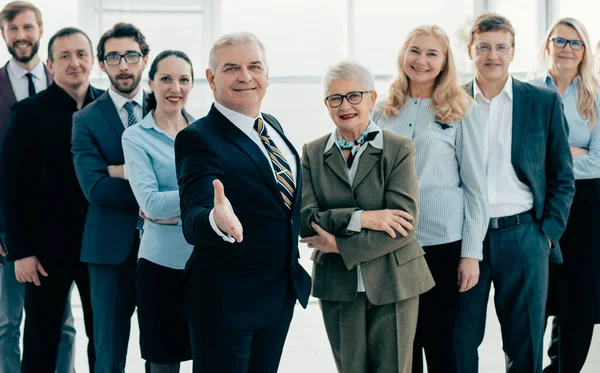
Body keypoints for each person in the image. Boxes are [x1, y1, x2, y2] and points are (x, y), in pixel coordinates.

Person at [174, 31, 311, 373]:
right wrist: (215, 220)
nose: (245, 76)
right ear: (211, 78)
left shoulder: (272, 127)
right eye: (232, 67)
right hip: (227, 302)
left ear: (267, 73)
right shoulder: (198, 138)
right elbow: (194, 213)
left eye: (254, 66)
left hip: (278, 295)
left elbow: (281, 205)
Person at [454, 13, 575, 373]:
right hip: (464, 238)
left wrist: (547, 236)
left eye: (501, 47)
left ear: (513, 51)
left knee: (525, 343)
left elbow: (562, 177)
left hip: (525, 236)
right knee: (459, 338)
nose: (493, 55)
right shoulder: (450, 102)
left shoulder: (542, 102)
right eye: (485, 47)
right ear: (471, 50)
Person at [299, 60, 434, 373]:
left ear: (372, 99)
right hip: (337, 284)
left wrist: (340, 244)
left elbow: (403, 222)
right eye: (336, 98)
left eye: (354, 96)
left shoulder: (399, 148)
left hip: (394, 281)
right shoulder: (313, 152)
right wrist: (364, 218)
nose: (345, 105)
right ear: (326, 104)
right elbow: (306, 218)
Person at [371, 25, 488, 373]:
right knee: (403, 346)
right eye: (415, 51)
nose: (421, 60)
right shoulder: (381, 109)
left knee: (442, 346)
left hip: (443, 245)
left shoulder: (462, 110)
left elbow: (477, 189)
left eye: (431, 53)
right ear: (403, 55)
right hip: (394, 246)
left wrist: (471, 254)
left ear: (444, 62)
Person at [0, 27, 101, 373]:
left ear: (93, 60)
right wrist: (21, 251)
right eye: (65, 56)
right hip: (44, 253)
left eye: (81, 54)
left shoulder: (107, 108)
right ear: (50, 64)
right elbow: (12, 187)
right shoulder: (28, 113)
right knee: (41, 343)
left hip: (100, 249)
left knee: (102, 340)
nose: (74, 63)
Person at [71, 22, 150, 373]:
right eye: (113, 57)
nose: (123, 65)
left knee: (163, 349)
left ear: (144, 60)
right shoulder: (84, 119)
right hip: (107, 253)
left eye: (131, 55)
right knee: (108, 353)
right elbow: (96, 189)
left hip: (162, 250)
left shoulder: (168, 109)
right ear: (101, 64)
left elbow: (182, 178)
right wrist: (153, 191)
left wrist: (119, 169)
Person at [531, 17, 600, 373]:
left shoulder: (596, 96)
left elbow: (599, 162)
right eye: (560, 41)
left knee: (578, 299)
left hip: (586, 207)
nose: (567, 49)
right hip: (537, 205)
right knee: (538, 297)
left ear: (585, 50)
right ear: (548, 45)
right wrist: (572, 152)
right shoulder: (528, 91)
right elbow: (520, 156)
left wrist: (551, 158)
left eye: (576, 43)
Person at [121, 50, 194, 373]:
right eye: (165, 79)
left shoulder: (205, 132)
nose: (174, 87)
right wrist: (199, 199)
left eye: (183, 79)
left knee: (211, 358)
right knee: (164, 363)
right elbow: (149, 203)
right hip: (160, 266)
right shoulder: (136, 137)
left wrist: (171, 207)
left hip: (205, 264)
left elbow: (229, 193)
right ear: (150, 83)